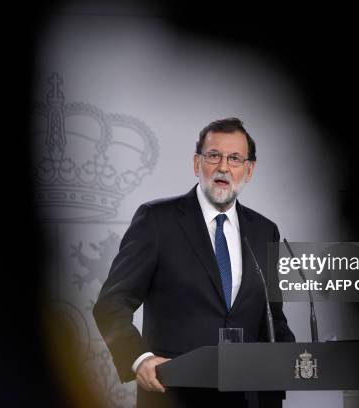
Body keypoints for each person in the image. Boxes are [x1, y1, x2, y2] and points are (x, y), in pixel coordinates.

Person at [93, 117, 295, 408]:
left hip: (252, 397)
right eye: (214, 156)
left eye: (235, 158)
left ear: (249, 170)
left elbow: (273, 318)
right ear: (197, 163)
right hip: (175, 394)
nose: (223, 167)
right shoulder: (157, 220)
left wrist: (300, 359)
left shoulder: (266, 231)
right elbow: (111, 305)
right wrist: (139, 359)